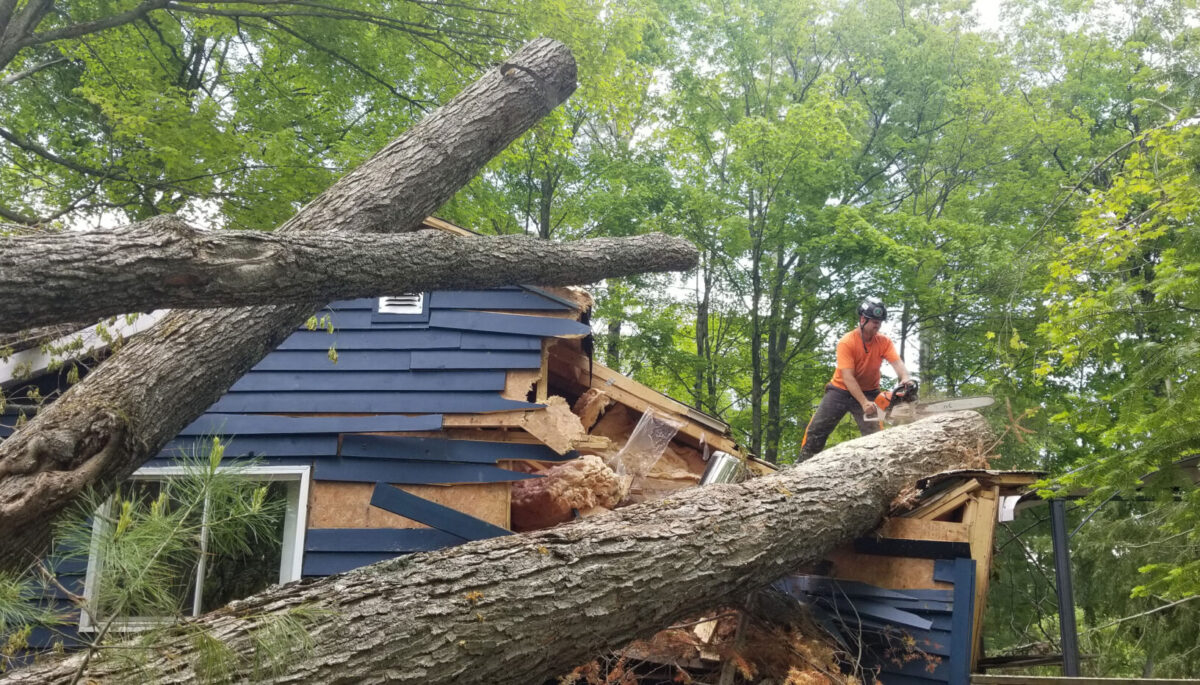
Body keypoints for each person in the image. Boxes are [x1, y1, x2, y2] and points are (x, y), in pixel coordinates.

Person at [798, 299, 913, 461]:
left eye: (879, 322)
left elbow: (897, 363)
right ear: (862, 320)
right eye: (874, 322)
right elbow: (847, 377)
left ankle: (878, 465)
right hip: (840, 391)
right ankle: (802, 463)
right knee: (817, 430)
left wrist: (905, 378)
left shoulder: (884, 342)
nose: (877, 325)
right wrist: (863, 402)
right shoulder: (847, 342)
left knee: (875, 436)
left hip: (870, 391)